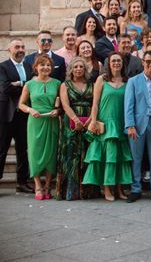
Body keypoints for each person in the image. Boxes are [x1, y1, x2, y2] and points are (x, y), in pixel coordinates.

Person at [82, 52, 132, 201]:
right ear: (108, 64)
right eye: (113, 61)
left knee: (119, 158)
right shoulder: (101, 79)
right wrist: (93, 120)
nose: (116, 63)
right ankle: (107, 189)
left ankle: (119, 189)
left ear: (123, 64)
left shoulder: (127, 81)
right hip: (106, 123)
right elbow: (95, 103)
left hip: (121, 123)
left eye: (119, 61)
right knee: (108, 157)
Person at [123, 51, 151, 203]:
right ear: (143, 62)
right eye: (148, 62)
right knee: (136, 158)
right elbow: (128, 105)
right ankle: (135, 189)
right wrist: (130, 125)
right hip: (137, 124)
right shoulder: (133, 81)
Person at [18, 54, 61, 200]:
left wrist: (58, 111)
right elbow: (21, 104)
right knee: (35, 153)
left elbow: (60, 104)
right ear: (36, 67)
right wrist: (30, 110)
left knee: (50, 153)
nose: (46, 67)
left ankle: (48, 186)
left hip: (51, 121)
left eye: (48, 65)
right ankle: (37, 185)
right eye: (42, 65)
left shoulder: (57, 83)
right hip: (35, 122)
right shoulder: (29, 84)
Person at [56, 57, 94, 200]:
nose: (78, 69)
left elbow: (95, 103)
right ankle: (70, 191)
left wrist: (90, 120)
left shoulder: (92, 83)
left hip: (89, 122)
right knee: (71, 155)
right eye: (75, 67)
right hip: (71, 122)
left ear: (85, 69)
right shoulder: (65, 85)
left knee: (87, 154)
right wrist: (76, 119)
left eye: (81, 67)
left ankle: (88, 191)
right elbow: (65, 105)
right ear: (71, 69)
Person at [0, 39, 33, 193]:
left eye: (22, 47)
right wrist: (25, 84)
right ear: (9, 50)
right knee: (2, 150)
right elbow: (6, 88)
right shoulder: (2, 67)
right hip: (6, 115)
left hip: (24, 115)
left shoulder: (29, 66)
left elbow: (34, 85)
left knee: (23, 150)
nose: (20, 50)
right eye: (17, 47)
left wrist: (19, 83)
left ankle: (22, 182)